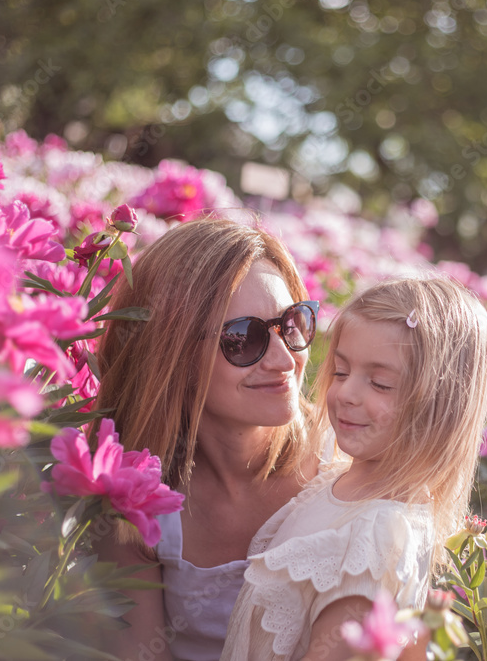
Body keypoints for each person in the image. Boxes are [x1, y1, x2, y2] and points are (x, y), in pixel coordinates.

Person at [221, 276, 487, 661]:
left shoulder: (378, 534)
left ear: (442, 405)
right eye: (340, 371)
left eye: (380, 384)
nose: (347, 394)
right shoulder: (340, 478)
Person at [94, 218, 325, 661]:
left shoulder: (347, 462)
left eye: (291, 325)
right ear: (170, 354)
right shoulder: (135, 499)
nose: (284, 360)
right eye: (242, 338)